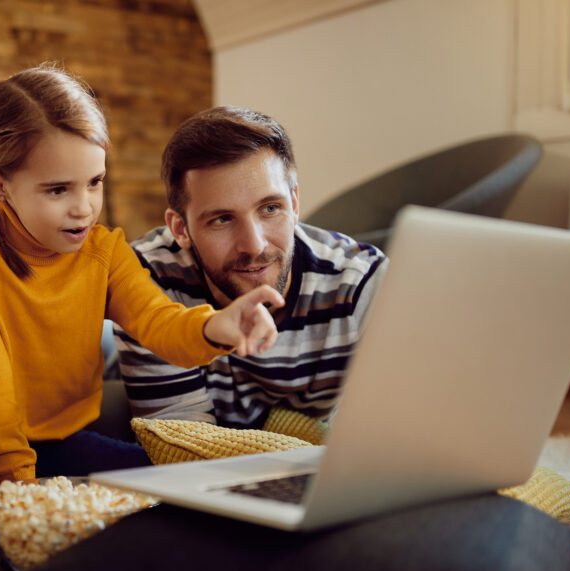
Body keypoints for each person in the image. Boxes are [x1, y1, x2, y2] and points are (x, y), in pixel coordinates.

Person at [0, 66, 283, 489]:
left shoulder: (105, 251)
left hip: (59, 439)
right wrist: (18, 487)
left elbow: (158, 320)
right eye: (58, 190)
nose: (84, 207)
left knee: (172, 489)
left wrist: (215, 325)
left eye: (94, 182)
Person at [114, 106, 387, 430]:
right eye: (222, 219)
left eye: (270, 208)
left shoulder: (361, 283)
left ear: (295, 203)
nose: (254, 245)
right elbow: (180, 441)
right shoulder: (147, 277)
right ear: (180, 229)